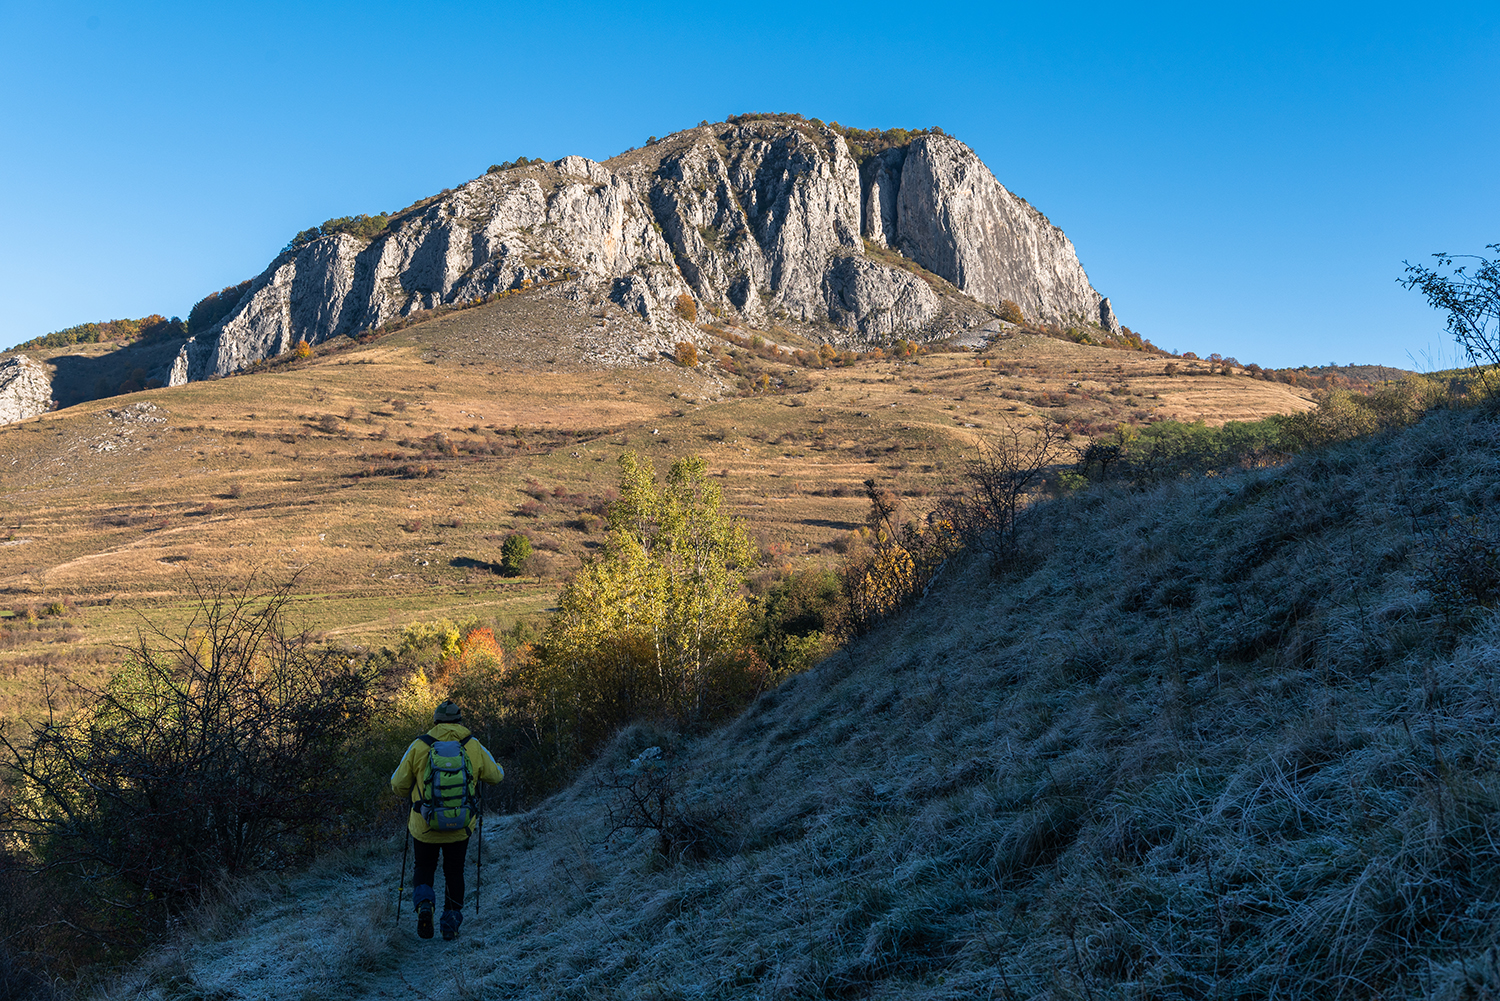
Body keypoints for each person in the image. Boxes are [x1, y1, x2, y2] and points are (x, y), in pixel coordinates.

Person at [390, 700, 503, 940]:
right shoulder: (473, 745)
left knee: (424, 866)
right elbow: (495, 776)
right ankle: (450, 924)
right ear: (460, 721)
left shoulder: (420, 745)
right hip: (460, 824)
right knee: (454, 871)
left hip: (425, 824)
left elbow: (398, 785)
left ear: (435, 721)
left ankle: (424, 903)